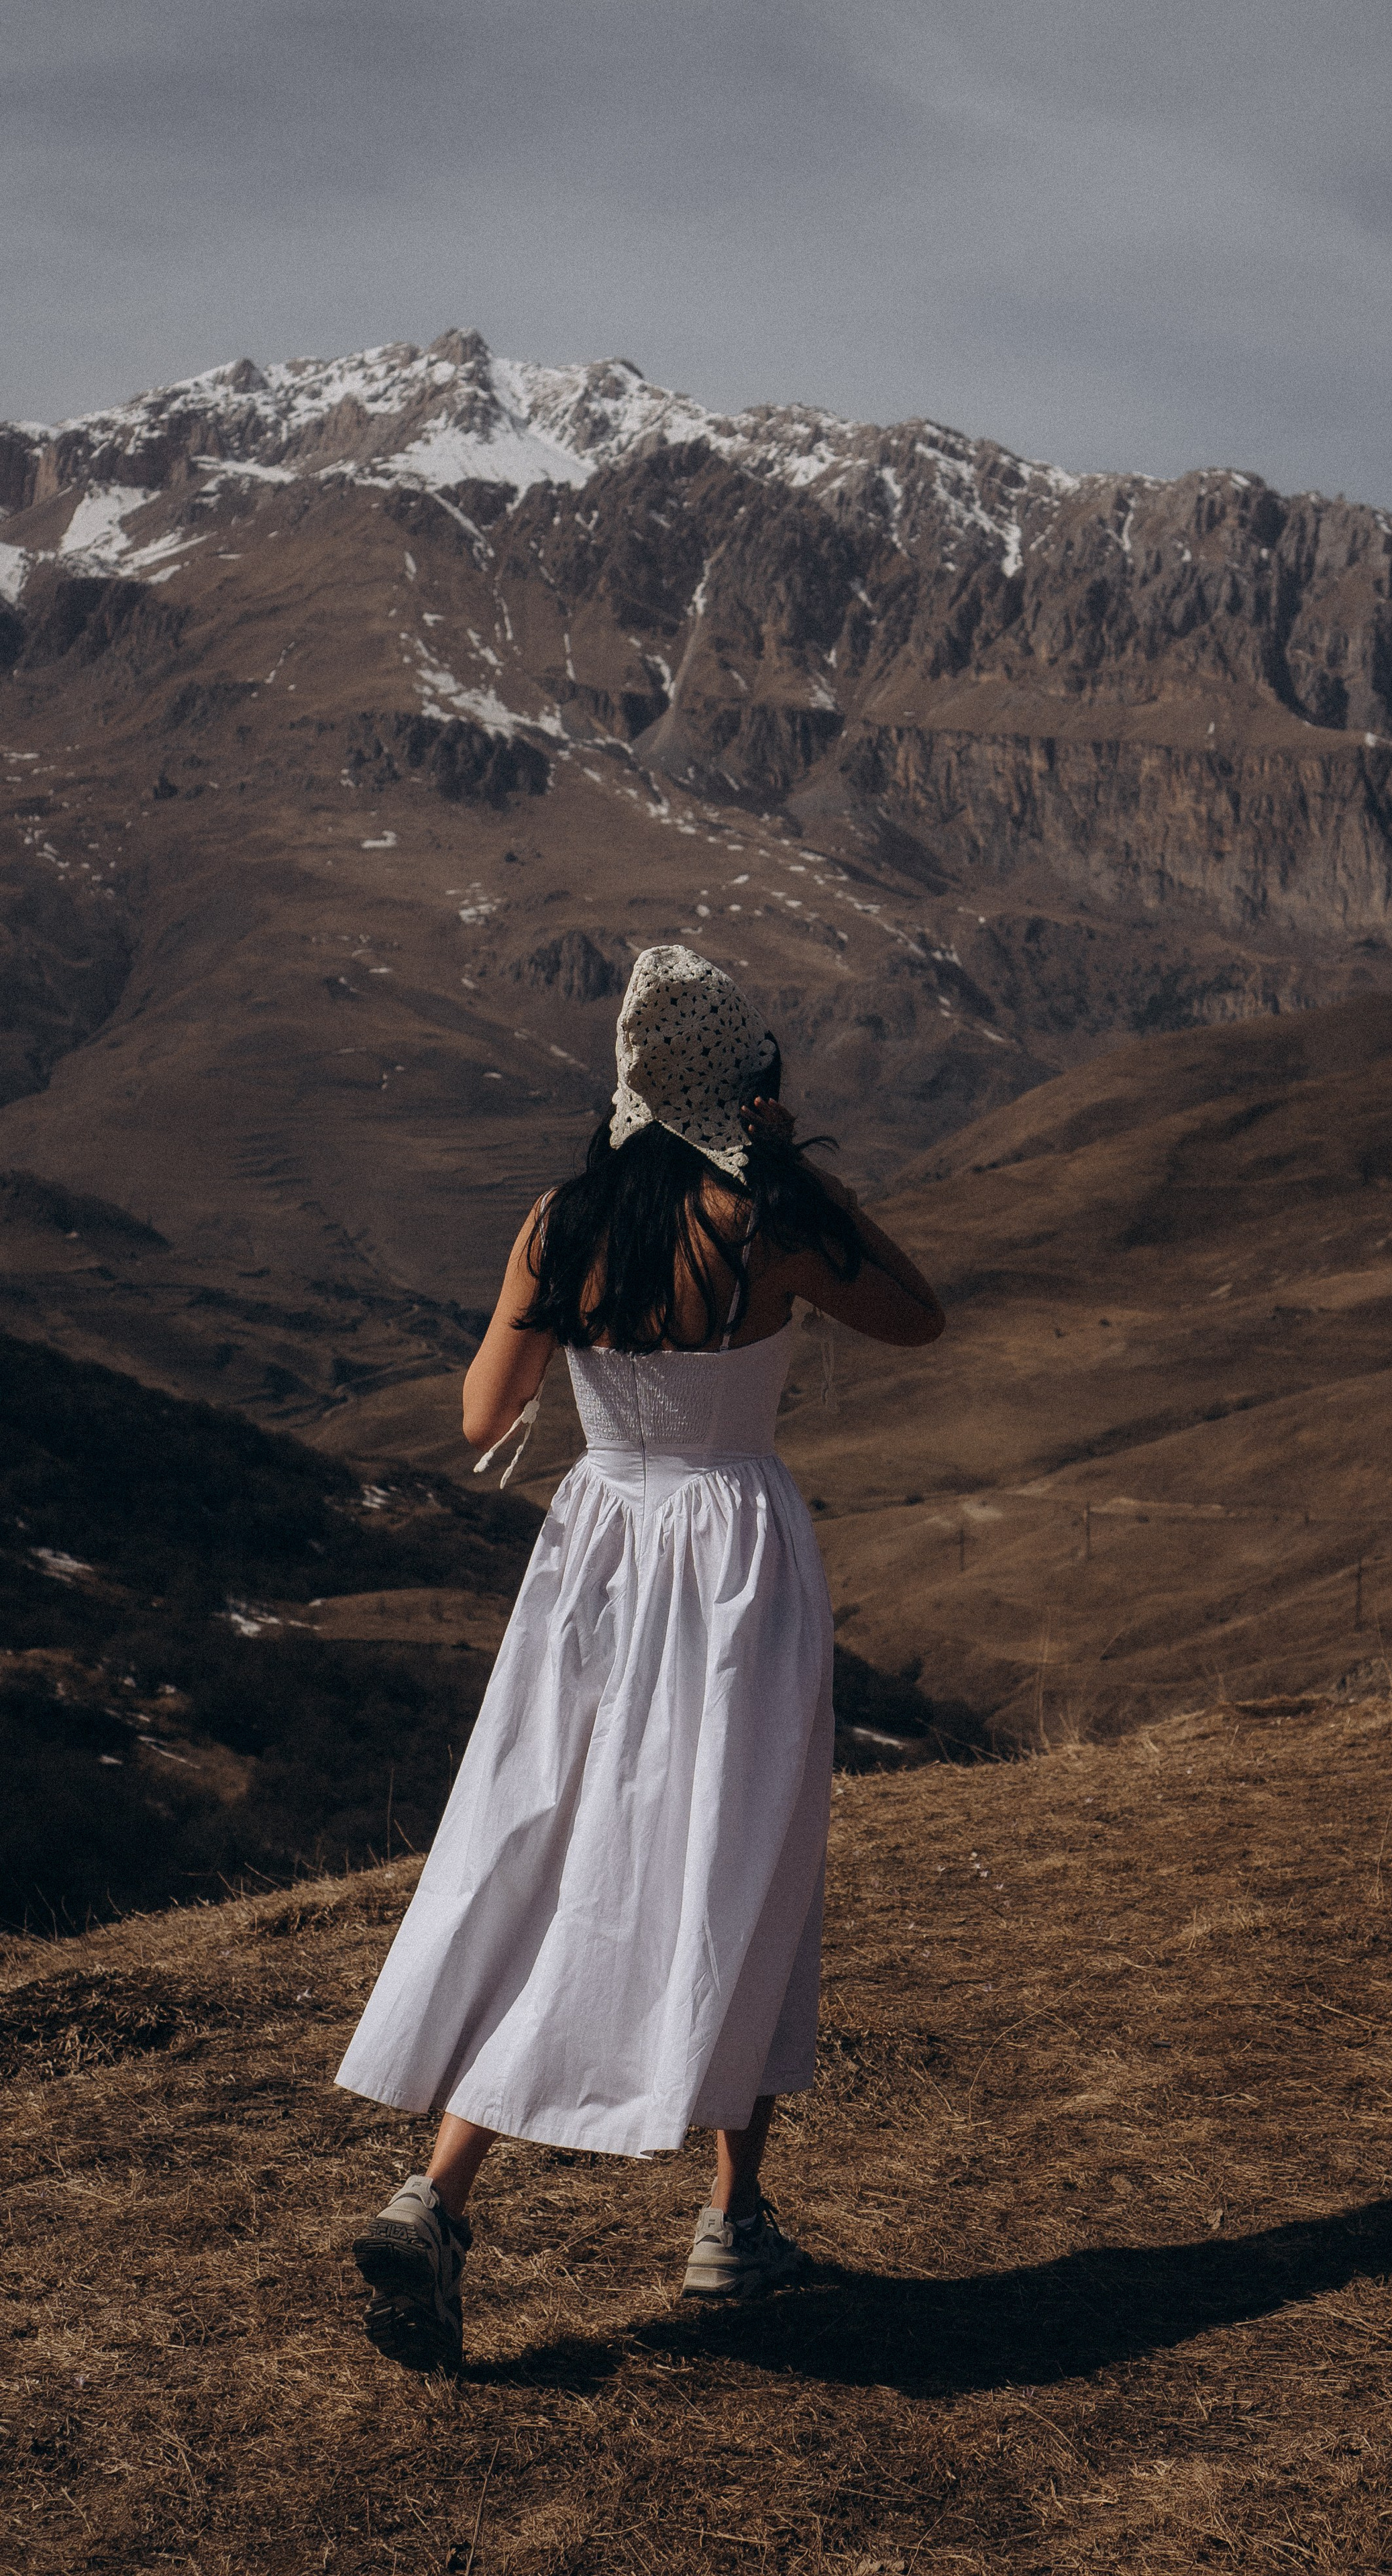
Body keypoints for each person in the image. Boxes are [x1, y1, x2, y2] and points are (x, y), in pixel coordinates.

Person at [336, 945, 945, 2371]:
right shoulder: (769, 1220)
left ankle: (439, 2193)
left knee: (549, 1847)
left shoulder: (562, 1220)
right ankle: (731, 2216)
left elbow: (484, 1417)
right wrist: (799, 1173)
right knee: (741, 1859)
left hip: (597, 1548)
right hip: (735, 1552)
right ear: (749, 1086)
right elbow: (919, 1311)